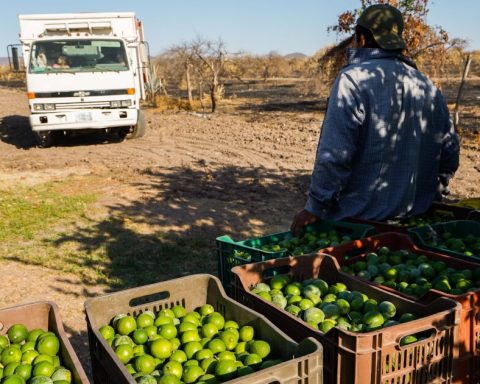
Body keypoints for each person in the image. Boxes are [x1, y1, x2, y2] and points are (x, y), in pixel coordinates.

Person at [291, 4, 460, 234]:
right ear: (396, 39)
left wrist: (314, 207)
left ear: (360, 38)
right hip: (415, 225)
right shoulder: (427, 85)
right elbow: (450, 152)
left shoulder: (353, 80)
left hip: (359, 227)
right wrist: (431, 192)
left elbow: (334, 155)